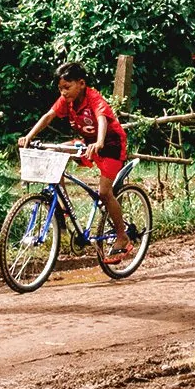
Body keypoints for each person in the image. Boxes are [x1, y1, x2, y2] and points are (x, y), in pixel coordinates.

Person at [24, 62, 132, 265]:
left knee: (104, 193)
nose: (63, 93)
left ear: (81, 83)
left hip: (110, 145)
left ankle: (122, 236)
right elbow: (49, 116)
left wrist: (99, 142)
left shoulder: (94, 98)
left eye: (67, 87)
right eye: (60, 89)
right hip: (88, 144)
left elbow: (102, 119)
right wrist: (29, 136)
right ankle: (62, 209)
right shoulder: (68, 101)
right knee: (53, 152)